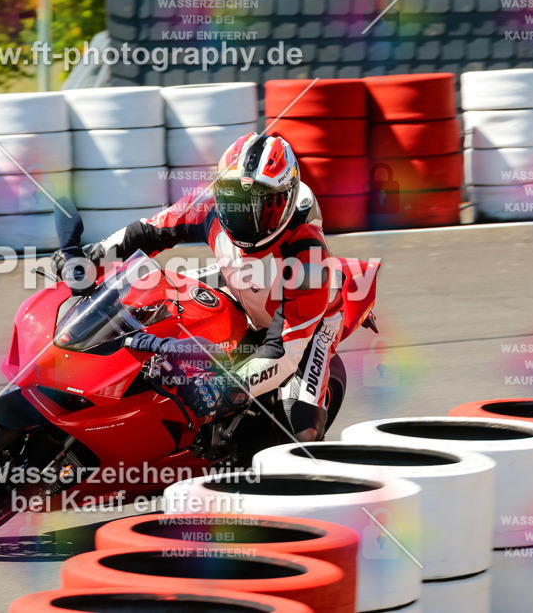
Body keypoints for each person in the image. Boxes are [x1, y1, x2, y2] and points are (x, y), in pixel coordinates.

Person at [54, 132, 343, 442]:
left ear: (284, 201)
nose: (243, 215)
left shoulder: (309, 260)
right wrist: (91, 258)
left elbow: (284, 352)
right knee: (148, 301)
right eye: (232, 200)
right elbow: (149, 231)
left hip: (306, 326)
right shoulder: (209, 205)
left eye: (260, 206)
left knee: (301, 426)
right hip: (238, 281)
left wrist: (224, 387)